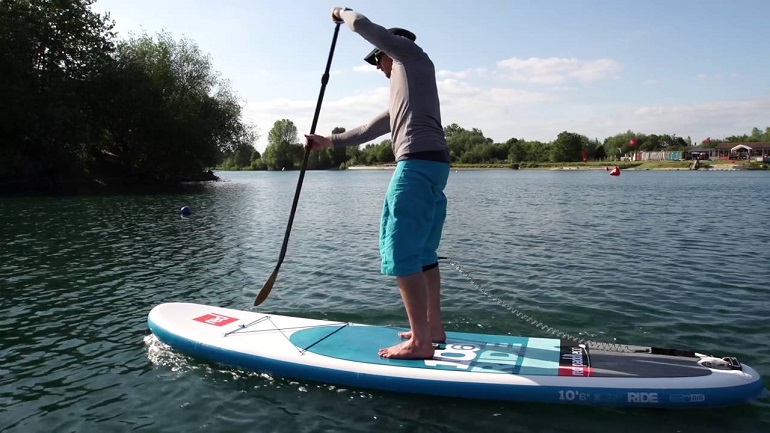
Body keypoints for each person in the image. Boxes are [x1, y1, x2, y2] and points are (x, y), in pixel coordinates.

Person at [305, 7, 450, 360]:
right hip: (434, 166)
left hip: (415, 166)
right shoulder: (410, 87)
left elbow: (367, 28)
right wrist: (330, 140)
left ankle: (420, 343)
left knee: (401, 252)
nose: (379, 70)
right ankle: (432, 328)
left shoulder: (409, 57)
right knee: (423, 253)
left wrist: (341, 11)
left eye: (378, 62)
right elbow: (371, 129)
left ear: (389, 51)